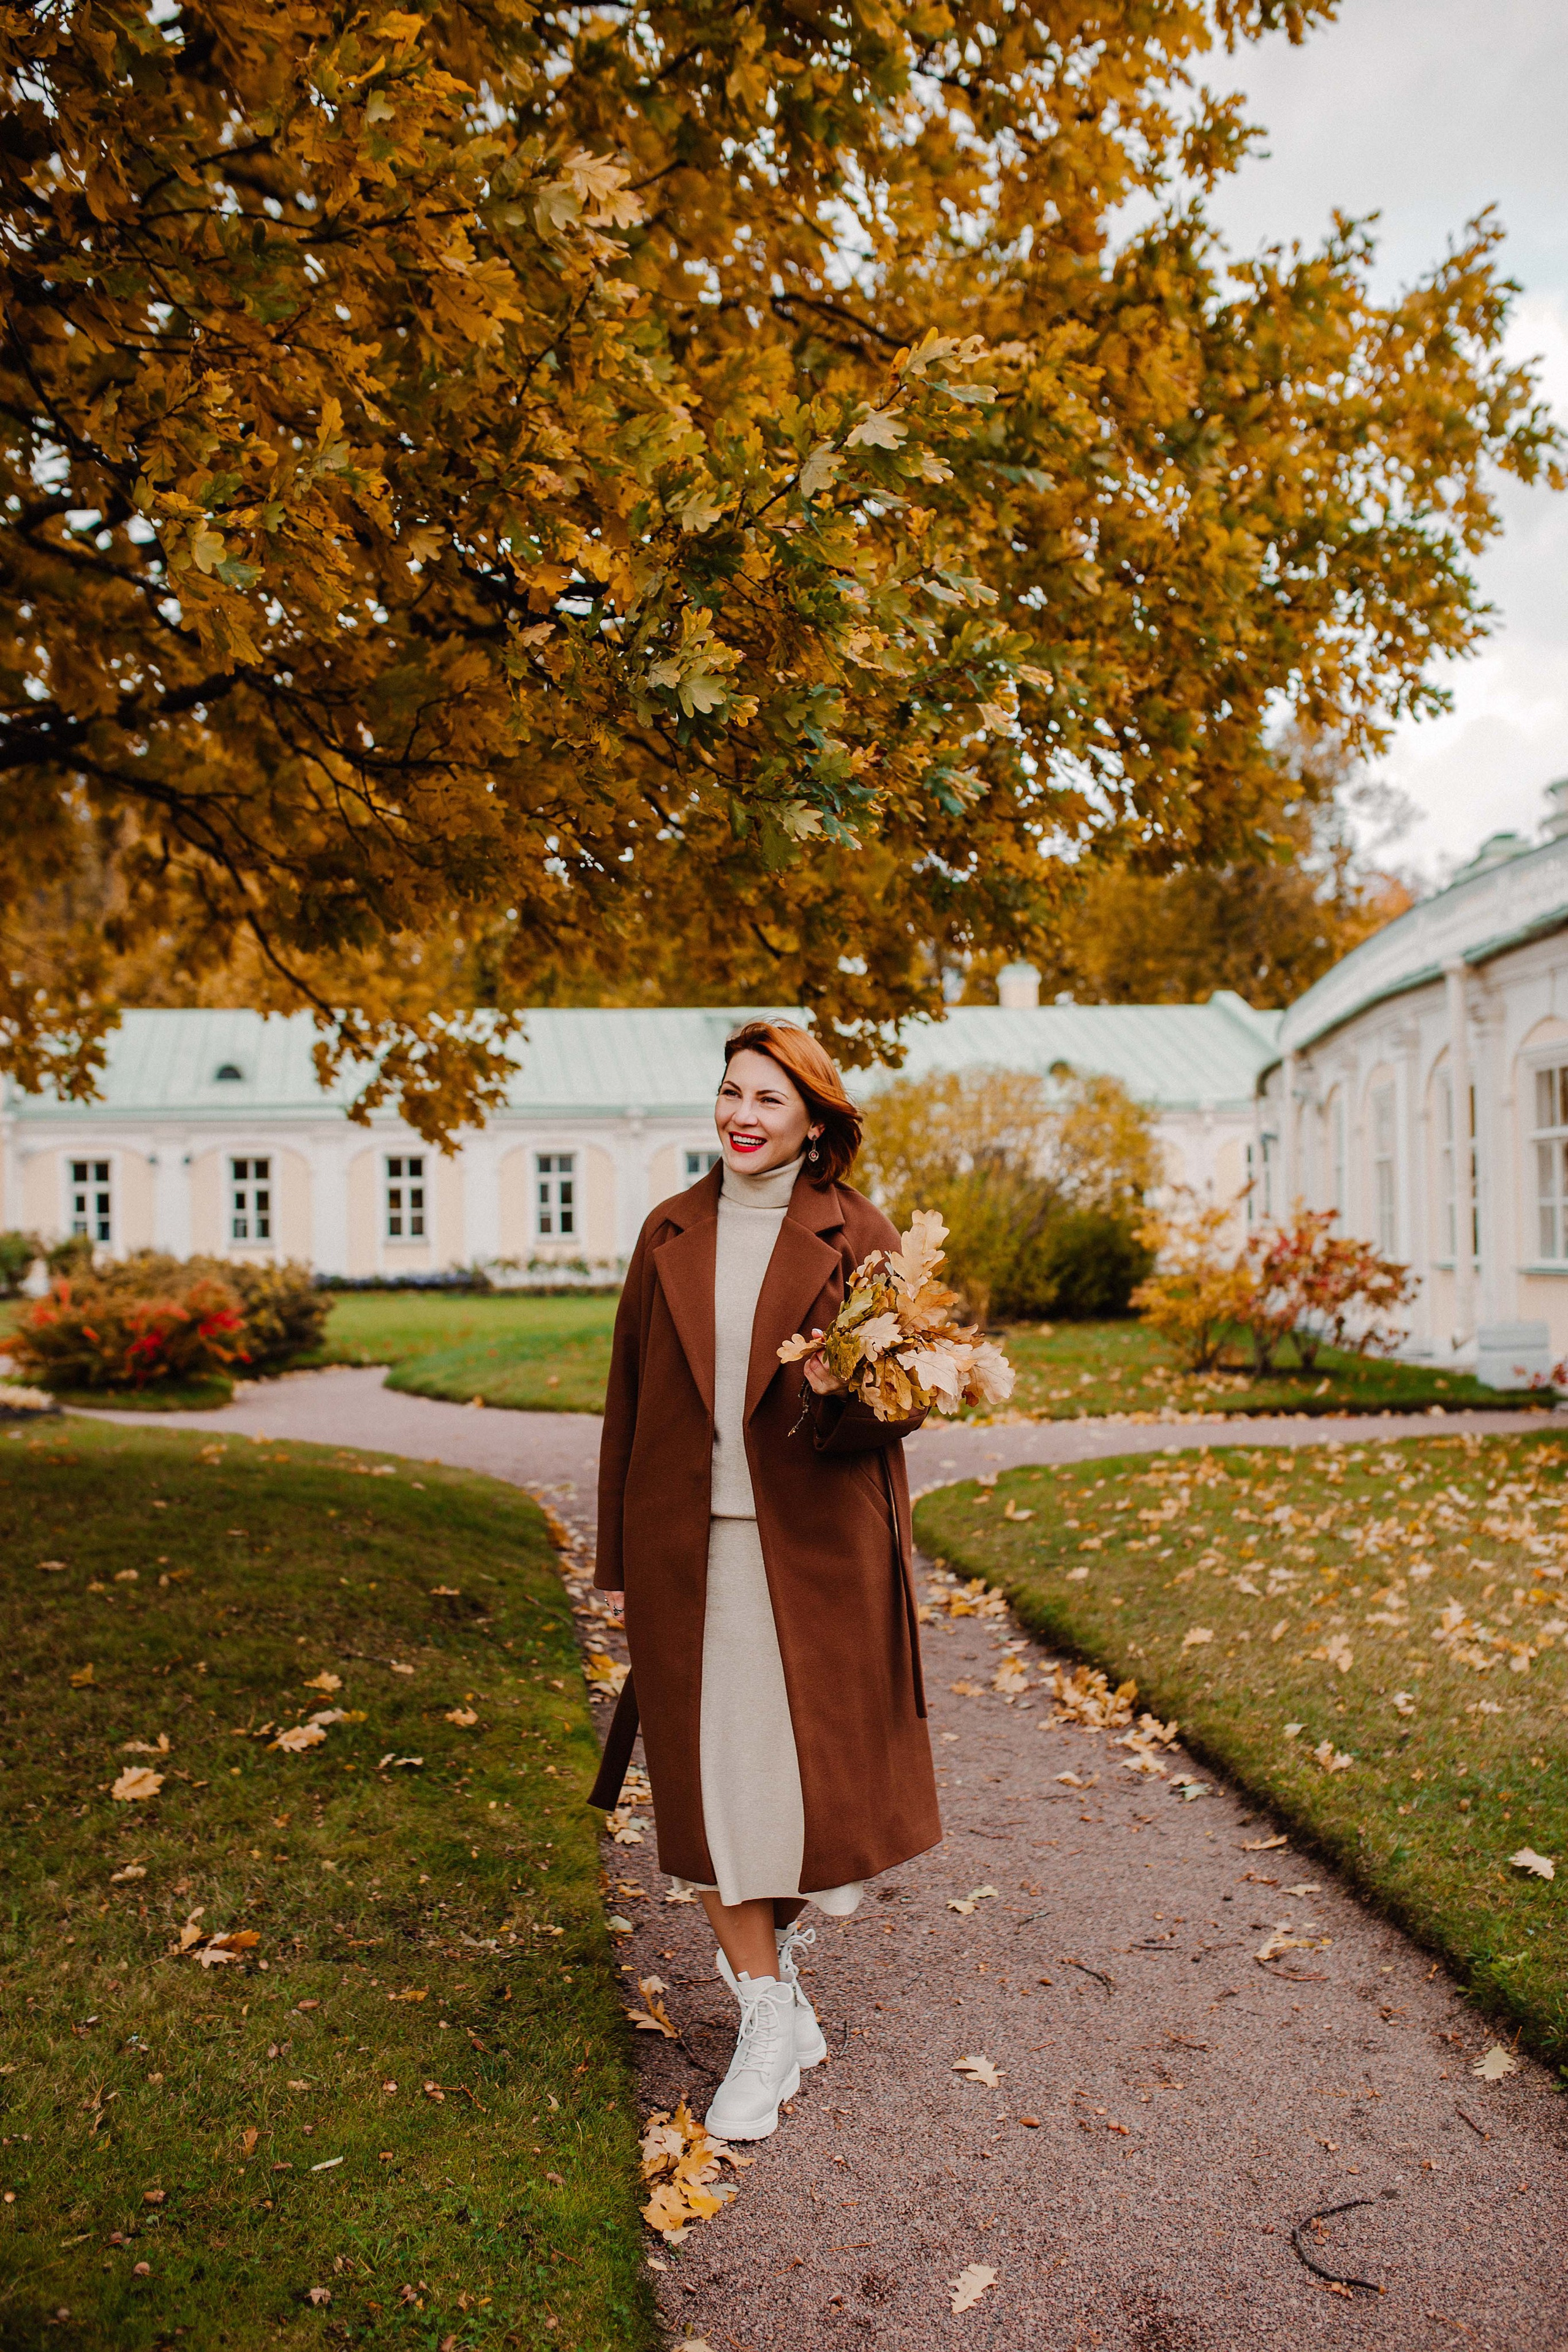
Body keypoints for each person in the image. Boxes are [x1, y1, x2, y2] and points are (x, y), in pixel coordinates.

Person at [592, 1019, 940, 2139]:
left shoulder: (858, 1233)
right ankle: (762, 2016)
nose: (742, 1116)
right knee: (710, 1796)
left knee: (808, 1804)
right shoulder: (668, 1232)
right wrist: (617, 1559)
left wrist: (851, 1387)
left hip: (821, 1552)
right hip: (688, 1554)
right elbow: (628, 1401)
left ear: (813, 1121)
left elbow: (903, 1405)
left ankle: (777, 1979)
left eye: (769, 1101)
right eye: (731, 1093)